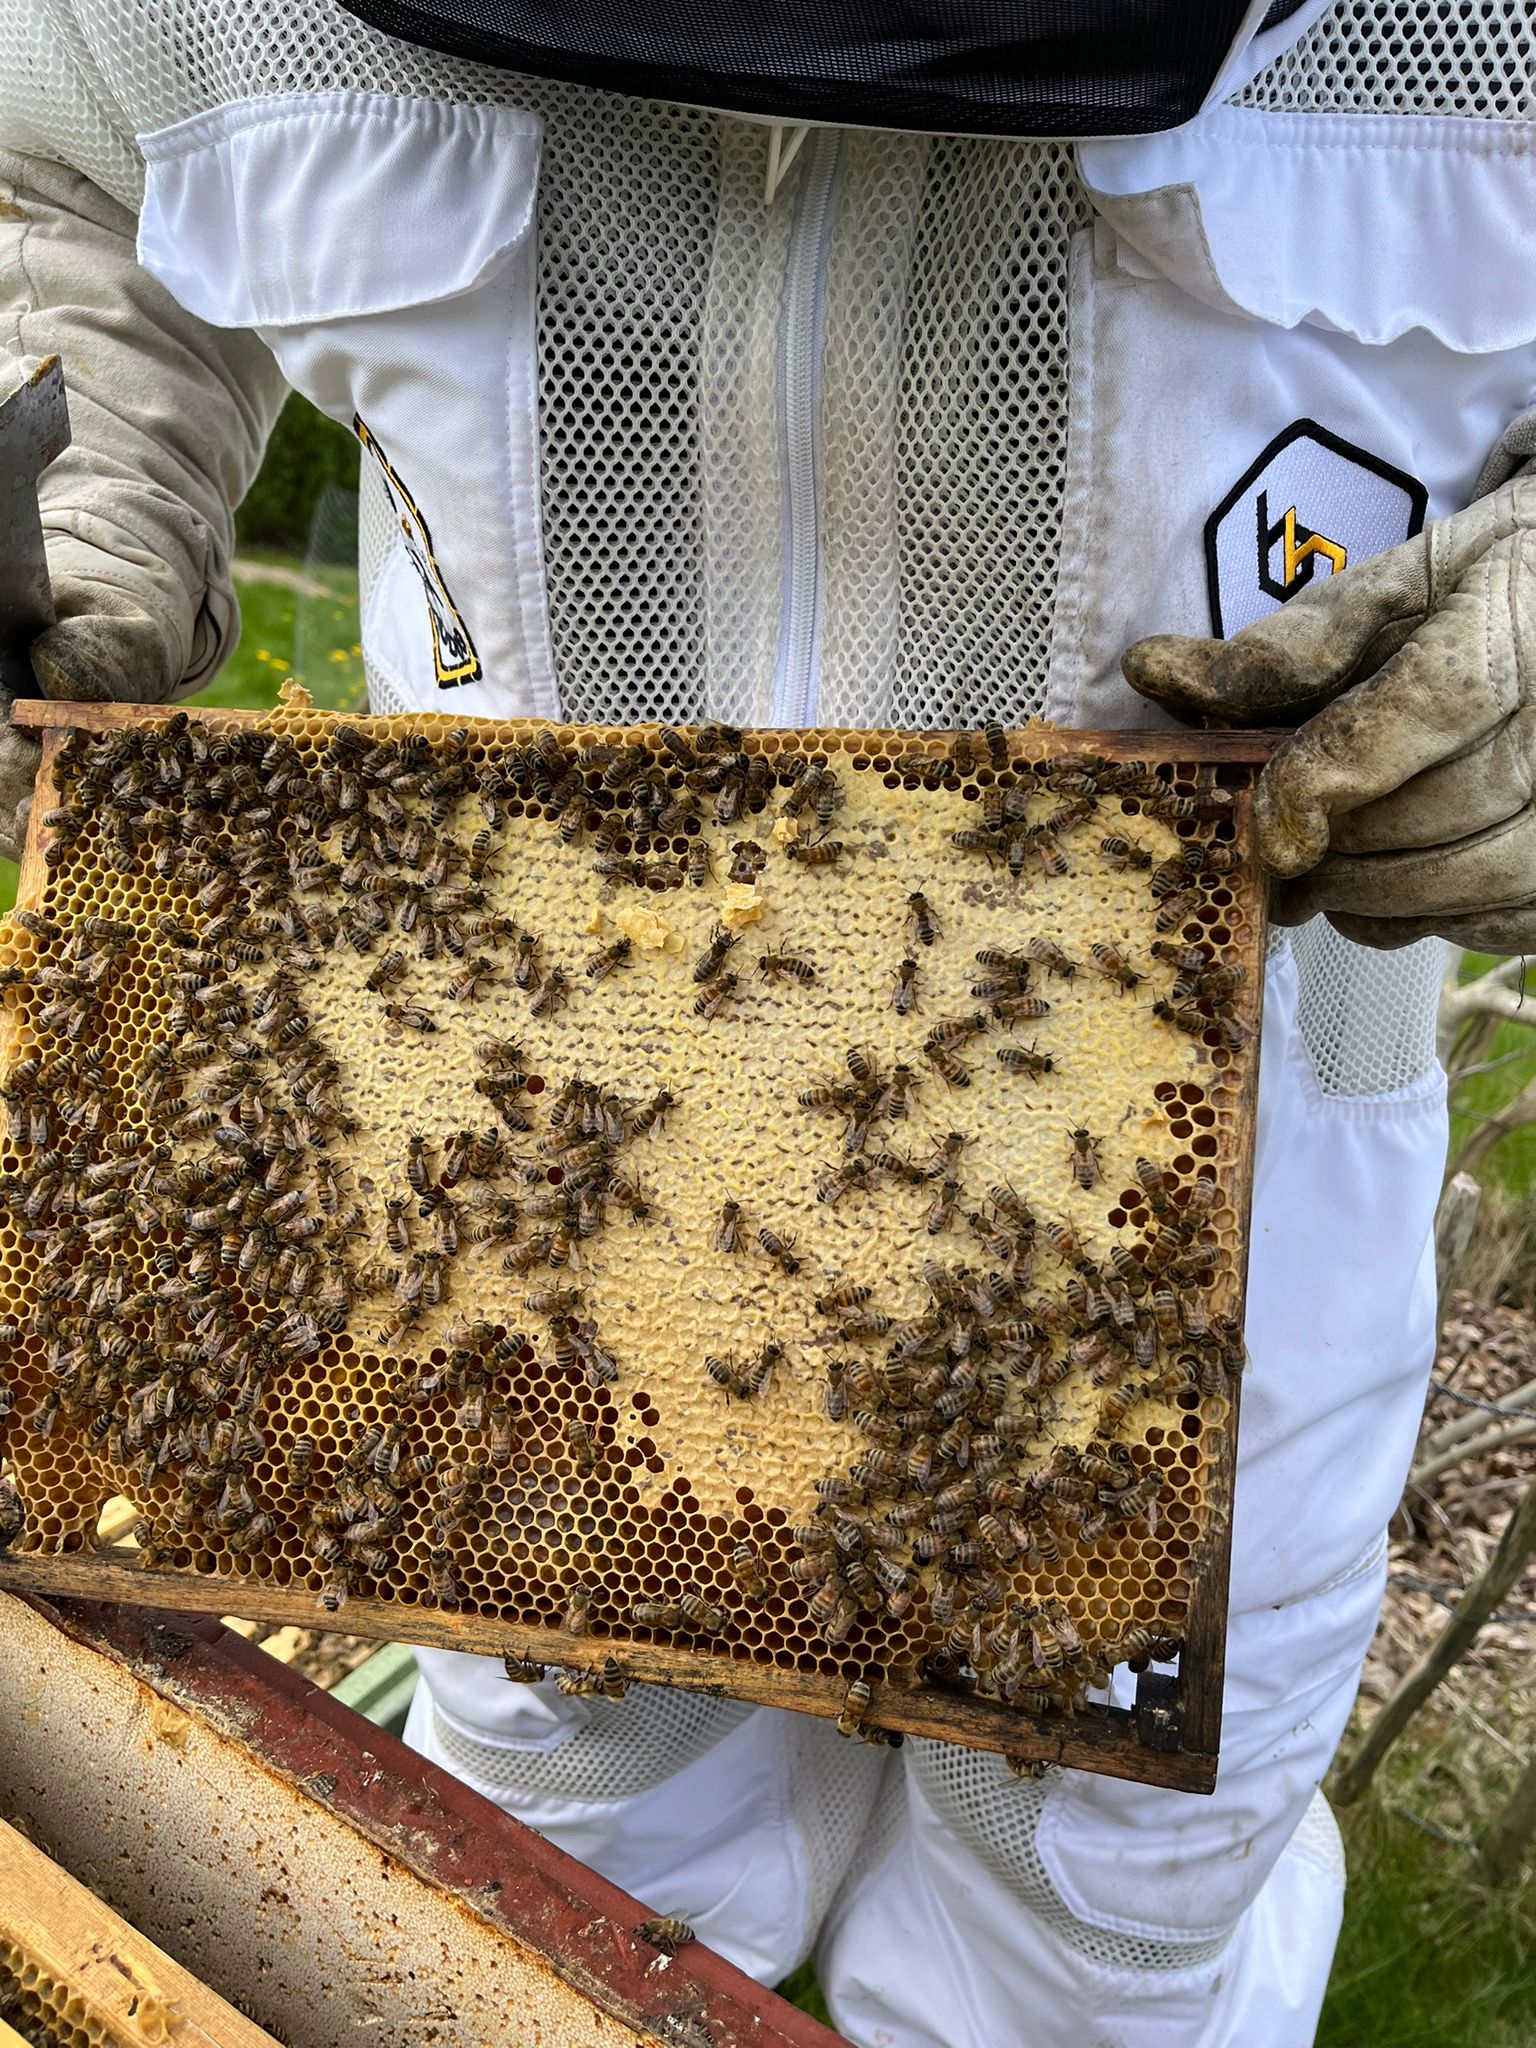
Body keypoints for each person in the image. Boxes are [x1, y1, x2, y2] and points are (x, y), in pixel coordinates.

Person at [2, 2, 1532, 2039]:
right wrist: (80, 472)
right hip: (501, 1240)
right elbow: (67, 164)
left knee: (1083, 1959)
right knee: (538, 1880)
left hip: (1199, 1276)